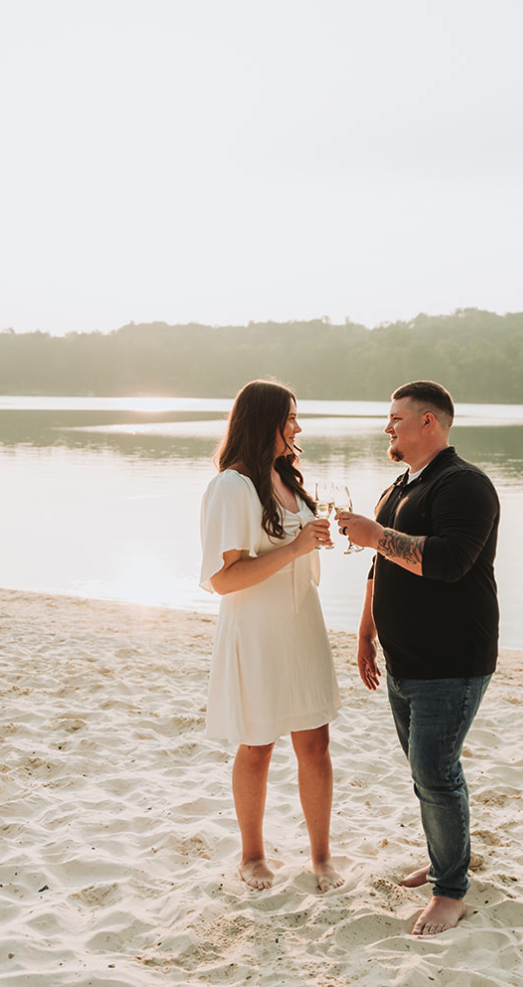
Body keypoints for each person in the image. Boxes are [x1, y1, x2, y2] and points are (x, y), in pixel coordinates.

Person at [337, 380, 501, 936]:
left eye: (396, 419)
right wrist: (365, 633)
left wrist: (376, 534)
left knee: (436, 771)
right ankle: (442, 858)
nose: (388, 427)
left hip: (452, 660)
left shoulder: (465, 486)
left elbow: (449, 562)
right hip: (405, 660)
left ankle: (452, 889)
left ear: (429, 422)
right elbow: (379, 569)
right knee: (423, 772)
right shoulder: (399, 487)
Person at [199, 379, 345, 893]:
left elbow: (298, 544)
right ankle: (252, 855)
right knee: (257, 744)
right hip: (258, 631)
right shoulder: (232, 487)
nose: (297, 428)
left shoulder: (284, 475)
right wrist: (296, 548)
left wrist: (318, 537)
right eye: (289, 420)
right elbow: (223, 578)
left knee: (316, 741)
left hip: (301, 623)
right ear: (265, 423)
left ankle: (321, 857)